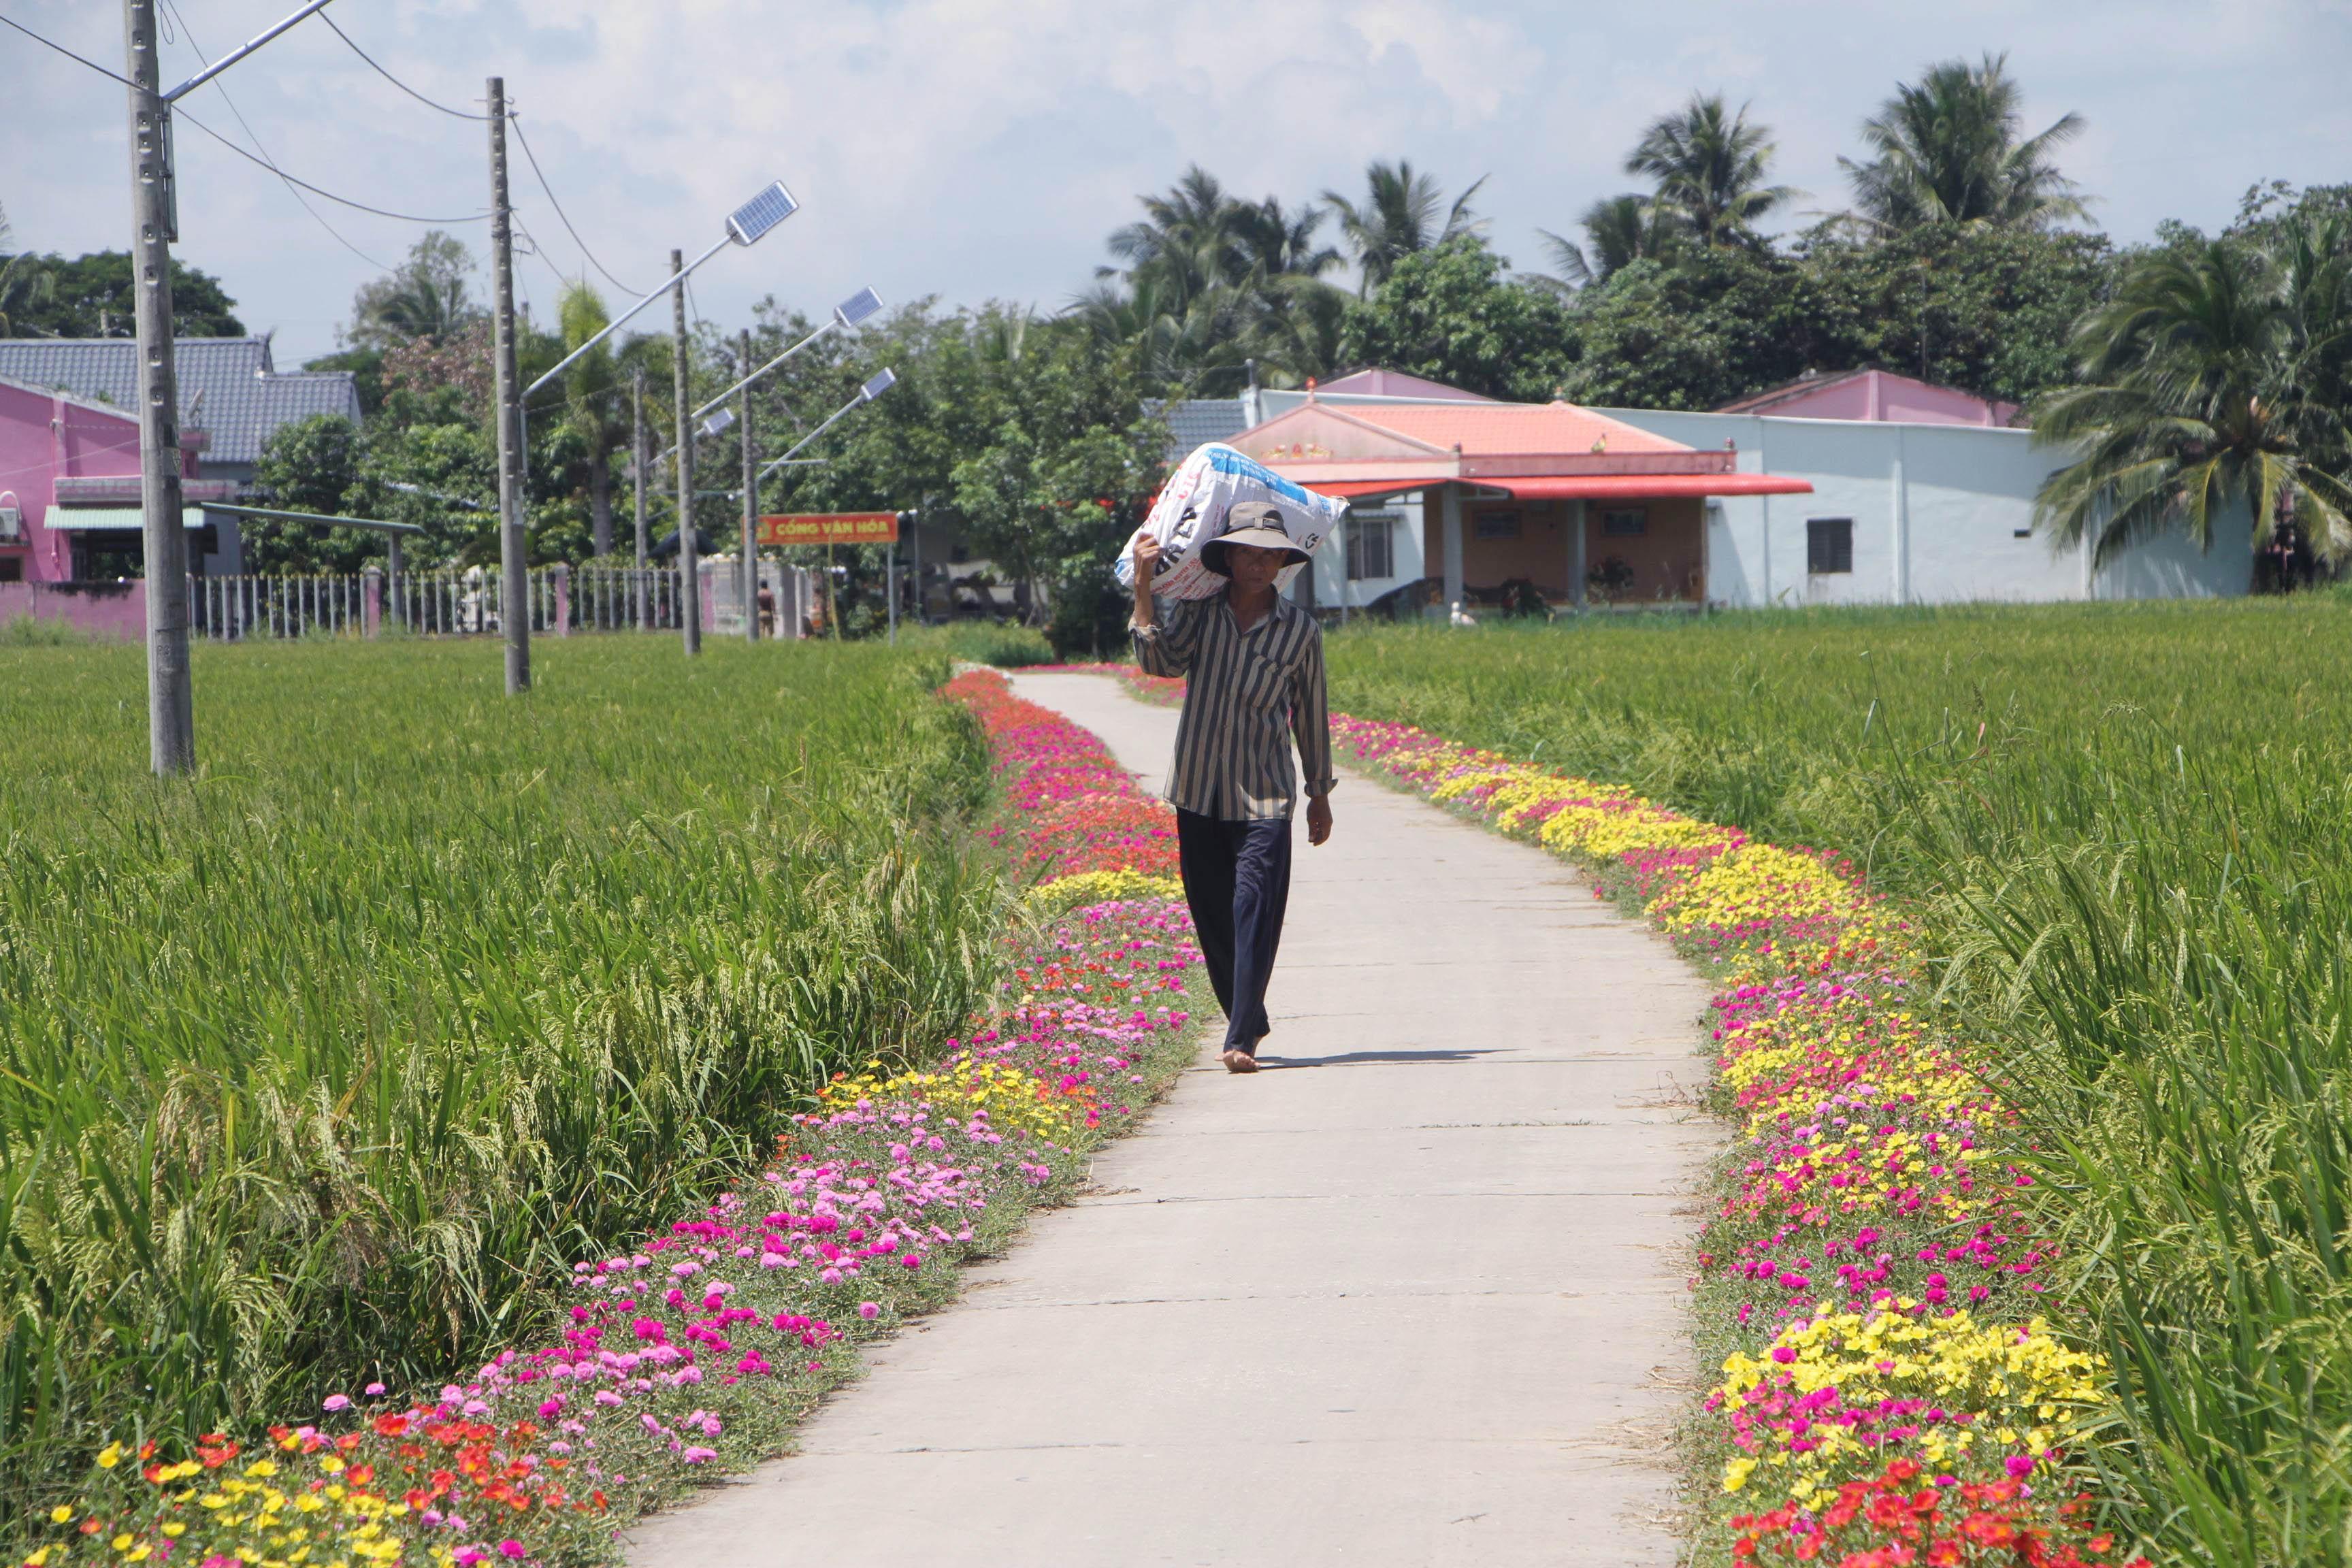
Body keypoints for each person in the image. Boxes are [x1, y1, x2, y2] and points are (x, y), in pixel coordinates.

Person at [1130, 502, 1335, 1075]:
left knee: (1252, 907)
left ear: (1282, 563)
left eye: (1271, 554)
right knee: (1213, 916)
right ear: (1229, 557)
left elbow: (1311, 714)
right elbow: (1160, 661)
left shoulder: (1299, 631)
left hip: (1266, 795)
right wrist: (1144, 584)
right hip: (1198, 790)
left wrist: (1319, 792)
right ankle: (1249, 1011)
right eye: (1248, 551)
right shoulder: (1200, 613)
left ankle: (1241, 1035)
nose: (1259, 563)